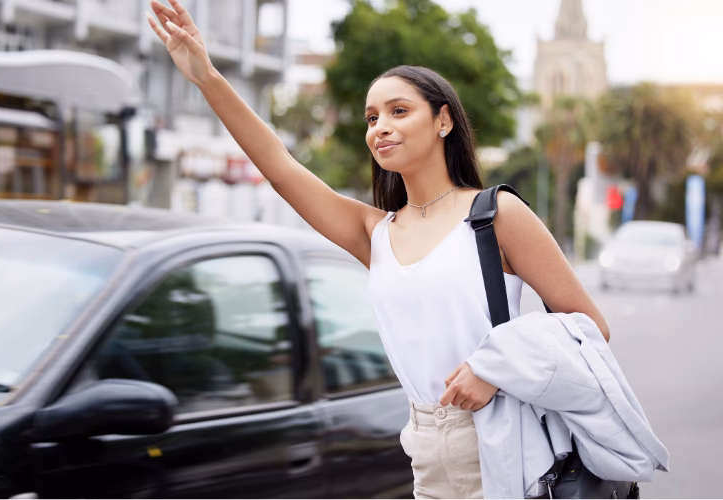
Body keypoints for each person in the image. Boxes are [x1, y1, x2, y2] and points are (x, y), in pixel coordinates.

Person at [146, 2, 612, 497]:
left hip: (502, 441)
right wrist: (207, 76)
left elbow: (591, 328)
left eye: (398, 111)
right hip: (426, 448)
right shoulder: (377, 233)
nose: (379, 127)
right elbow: (280, 167)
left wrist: (493, 368)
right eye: (372, 117)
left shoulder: (495, 217)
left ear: (444, 121)